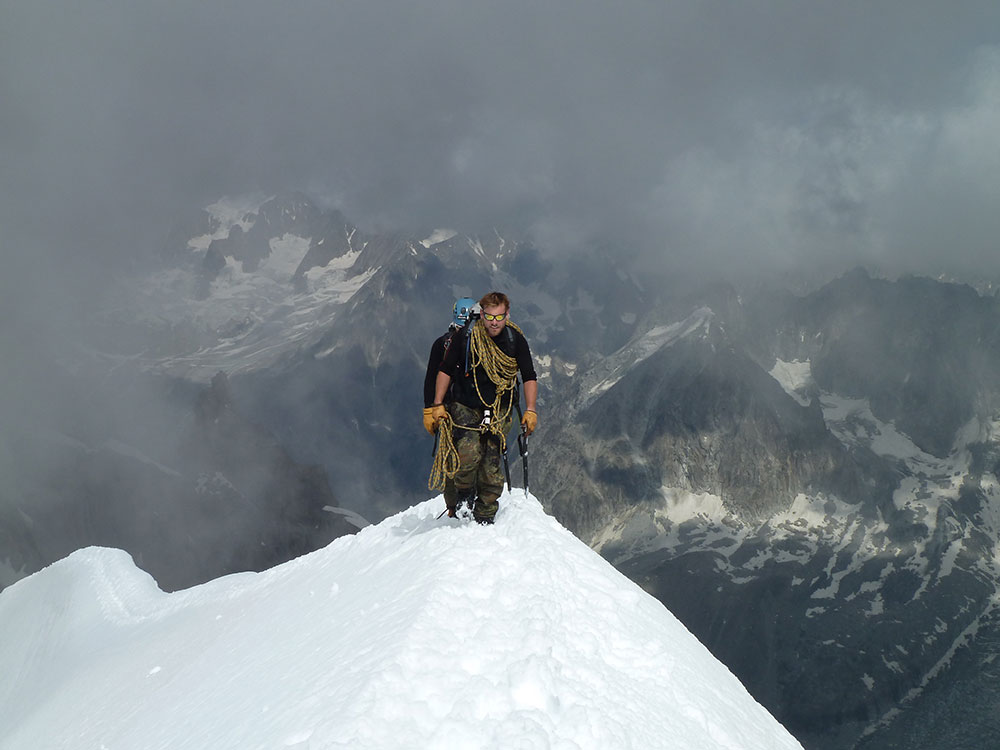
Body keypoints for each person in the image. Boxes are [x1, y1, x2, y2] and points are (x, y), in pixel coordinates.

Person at [429, 291, 538, 524]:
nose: (494, 322)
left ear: (507, 315)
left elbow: (529, 375)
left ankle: (485, 513)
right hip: (465, 404)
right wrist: (437, 405)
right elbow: (445, 370)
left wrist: (531, 409)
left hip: (499, 407)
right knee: (467, 455)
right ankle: (464, 494)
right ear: (481, 315)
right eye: (489, 317)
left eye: (499, 317)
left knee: (491, 462)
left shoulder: (515, 340)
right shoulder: (466, 337)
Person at [423, 297, 477, 516]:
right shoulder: (478, 343)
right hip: (472, 407)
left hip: (445, 410)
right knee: (474, 452)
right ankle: (473, 498)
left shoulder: (442, 344)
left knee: (450, 456)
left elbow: (431, 378)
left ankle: (453, 506)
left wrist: (430, 409)